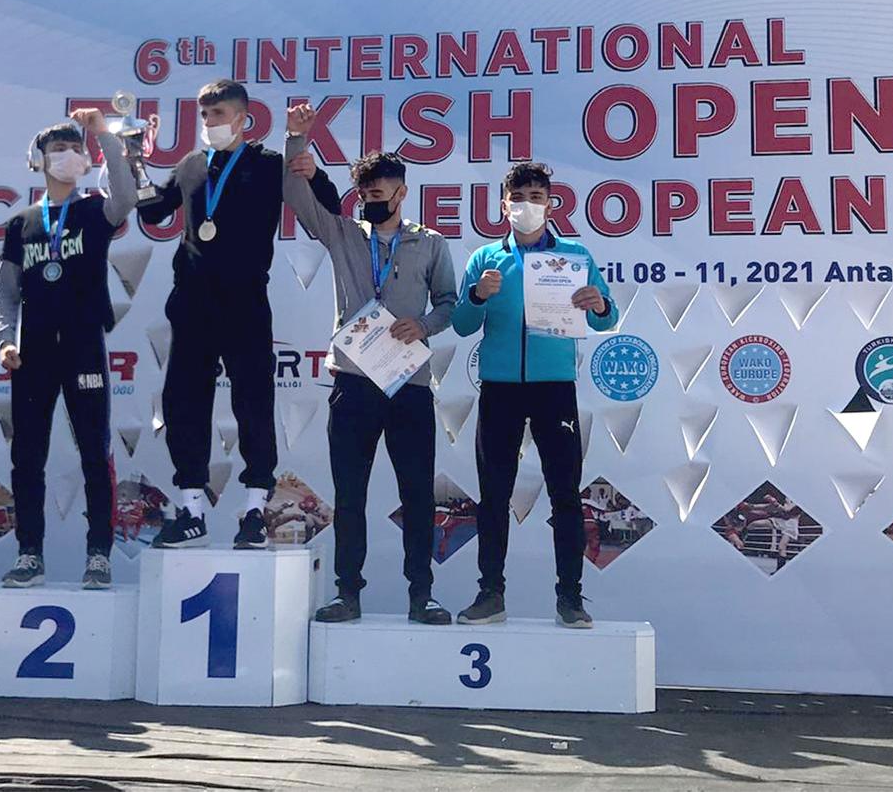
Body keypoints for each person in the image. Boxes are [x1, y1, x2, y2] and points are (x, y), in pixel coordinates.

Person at [97, 80, 340, 548]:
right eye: (205, 115)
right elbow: (153, 212)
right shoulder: (192, 164)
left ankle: (255, 509)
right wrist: (134, 162)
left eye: (219, 114)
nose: (210, 123)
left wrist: (313, 171)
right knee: (183, 402)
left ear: (243, 118)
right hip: (191, 301)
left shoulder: (268, 164)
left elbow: (325, 208)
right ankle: (192, 508)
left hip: (245, 302)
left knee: (252, 402)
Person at [282, 105, 456, 624]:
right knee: (349, 494)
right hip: (354, 383)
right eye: (365, 195)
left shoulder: (431, 243)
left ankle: (421, 595)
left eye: (381, 194)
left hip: (409, 384)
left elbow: (449, 302)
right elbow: (296, 196)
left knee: (417, 495)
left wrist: (423, 324)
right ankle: (347, 593)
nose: (372, 202)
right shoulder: (343, 233)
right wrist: (296, 139)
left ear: (402, 193)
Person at [451, 162, 618, 629]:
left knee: (565, 494)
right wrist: (478, 296)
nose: (527, 205)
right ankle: (490, 594)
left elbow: (607, 319)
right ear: (504, 206)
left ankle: (571, 599)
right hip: (500, 388)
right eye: (519, 197)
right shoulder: (485, 258)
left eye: (536, 197)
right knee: (493, 495)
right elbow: (461, 325)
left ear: (550, 204)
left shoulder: (575, 256)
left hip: (554, 388)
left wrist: (599, 303)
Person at [0, 109, 133, 590]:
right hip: (32, 352)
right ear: (38, 160)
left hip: (83, 345)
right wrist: (5, 340)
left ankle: (99, 555)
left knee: (95, 451)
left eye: (75, 149)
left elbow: (127, 197)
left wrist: (102, 136)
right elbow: (5, 292)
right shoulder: (22, 223)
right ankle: (29, 553)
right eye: (58, 149)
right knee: (27, 455)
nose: (68, 156)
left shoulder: (95, 210)